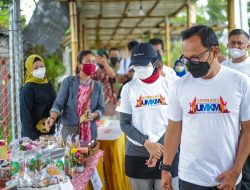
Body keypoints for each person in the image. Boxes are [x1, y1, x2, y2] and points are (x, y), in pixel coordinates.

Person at [161, 25, 250, 190]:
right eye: (186, 59)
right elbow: (174, 129)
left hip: (228, 177)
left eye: (195, 58)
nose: (190, 64)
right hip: (190, 177)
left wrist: (236, 172)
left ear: (214, 52)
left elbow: (248, 130)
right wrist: (166, 168)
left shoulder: (241, 82)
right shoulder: (179, 86)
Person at [116, 43, 179, 190]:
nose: (139, 68)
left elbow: (176, 123)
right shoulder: (128, 88)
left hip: (168, 152)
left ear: (155, 61)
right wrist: (148, 144)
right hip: (137, 154)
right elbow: (124, 123)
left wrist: (157, 151)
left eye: (143, 64)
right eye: (136, 65)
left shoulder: (171, 85)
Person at [45, 50, 104, 142]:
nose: (91, 64)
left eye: (94, 62)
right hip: (69, 132)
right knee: (71, 155)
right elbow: (58, 104)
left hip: (89, 132)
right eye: (88, 61)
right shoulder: (68, 82)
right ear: (80, 64)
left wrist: (93, 115)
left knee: (89, 155)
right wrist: (52, 117)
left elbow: (101, 108)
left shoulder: (97, 86)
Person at [222, 28, 250, 190]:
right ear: (227, 44)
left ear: (247, 46)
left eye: (240, 43)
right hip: (229, 130)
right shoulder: (222, 68)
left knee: (245, 174)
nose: (236, 46)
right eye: (233, 42)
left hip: (247, 128)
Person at [20, 54, 56, 140]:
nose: (40, 69)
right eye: (35, 68)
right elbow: (26, 115)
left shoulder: (48, 85)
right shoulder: (28, 88)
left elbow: (56, 105)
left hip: (51, 132)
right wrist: (33, 138)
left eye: (42, 66)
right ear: (29, 70)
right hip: (35, 136)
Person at [92, 49, 117, 116]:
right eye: (98, 58)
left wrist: (105, 63)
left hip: (109, 101)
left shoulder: (109, 68)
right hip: (97, 102)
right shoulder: (95, 70)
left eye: (102, 57)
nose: (100, 60)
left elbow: (112, 75)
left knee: (110, 122)